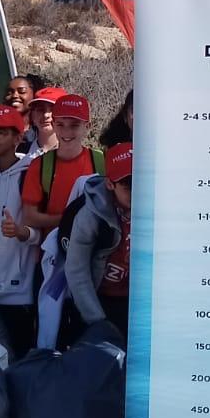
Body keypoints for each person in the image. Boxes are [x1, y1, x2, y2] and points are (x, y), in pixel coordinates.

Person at [0, 104, 40, 357]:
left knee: (18, 360)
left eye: (1, 132)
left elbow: (39, 233)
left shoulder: (31, 172)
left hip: (19, 295)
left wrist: (21, 232)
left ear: (18, 137)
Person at [62, 142, 133, 340]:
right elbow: (76, 270)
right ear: (110, 184)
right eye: (128, 186)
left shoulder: (155, 208)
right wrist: (96, 321)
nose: (137, 192)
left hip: (134, 303)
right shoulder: (90, 216)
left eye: (141, 182)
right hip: (98, 301)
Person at [21, 92, 103, 237]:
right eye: (60, 124)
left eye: (74, 125)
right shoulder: (39, 165)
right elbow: (29, 216)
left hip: (94, 252)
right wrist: (70, 219)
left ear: (87, 126)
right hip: (52, 255)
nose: (66, 132)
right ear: (53, 124)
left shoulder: (101, 161)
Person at [25, 86, 65, 155]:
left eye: (53, 110)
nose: (46, 115)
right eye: (40, 109)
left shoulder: (74, 155)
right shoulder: (19, 154)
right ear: (33, 116)